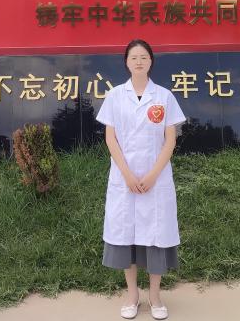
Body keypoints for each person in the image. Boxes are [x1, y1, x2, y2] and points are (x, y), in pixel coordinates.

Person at [96, 39, 186, 320]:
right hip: (124, 180)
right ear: (126, 62)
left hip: (155, 181)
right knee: (127, 238)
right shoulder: (114, 96)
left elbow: (170, 141)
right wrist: (127, 174)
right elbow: (111, 139)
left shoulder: (164, 97)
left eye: (143, 57)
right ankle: (132, 295)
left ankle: (155, 297)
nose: (138, 61)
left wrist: (152, 175)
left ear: (151, 62)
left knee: (155, 238)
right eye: (134, 57)